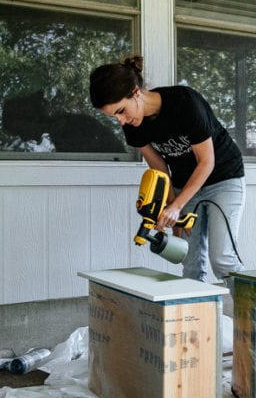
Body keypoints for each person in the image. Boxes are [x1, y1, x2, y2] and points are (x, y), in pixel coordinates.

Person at [89, 55, 245, 288]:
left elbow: (206, 162)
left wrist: (177, 206)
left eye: (121, 111)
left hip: (223, 178)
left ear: (135, 92)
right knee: (191, 264)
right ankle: (193, 323)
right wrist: (172, 208)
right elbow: (159, 167)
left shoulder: (184, 103)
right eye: (114, 117)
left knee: (223, 259)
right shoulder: (134, 125)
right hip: (185, 185)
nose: (121, 121)